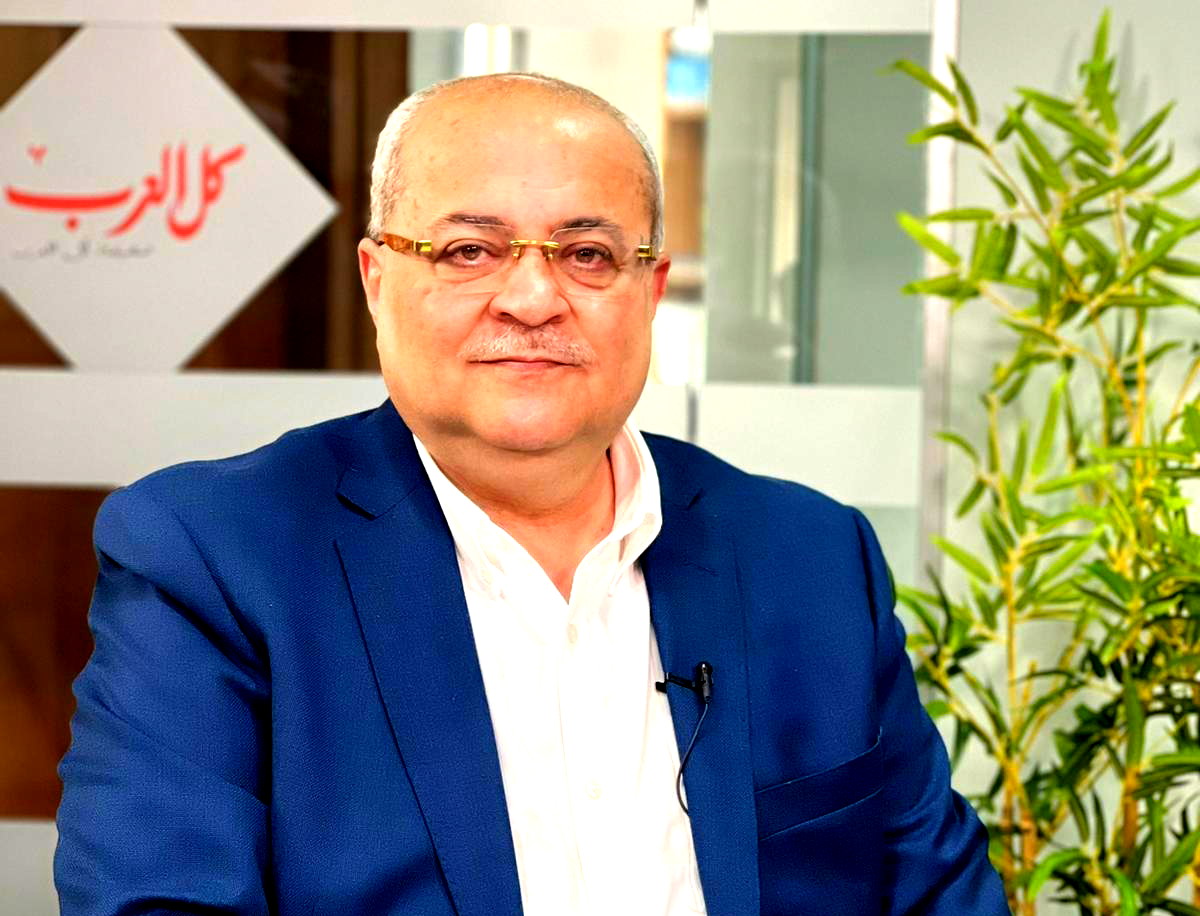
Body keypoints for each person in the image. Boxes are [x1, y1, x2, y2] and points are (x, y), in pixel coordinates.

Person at [55, 73, 1008, 916]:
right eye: (470, 250)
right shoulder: (214, 559)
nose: (533, 298)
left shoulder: (810, 557)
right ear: (378, 282)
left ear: (650, 291)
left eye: (587, 254)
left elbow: (937, 893)